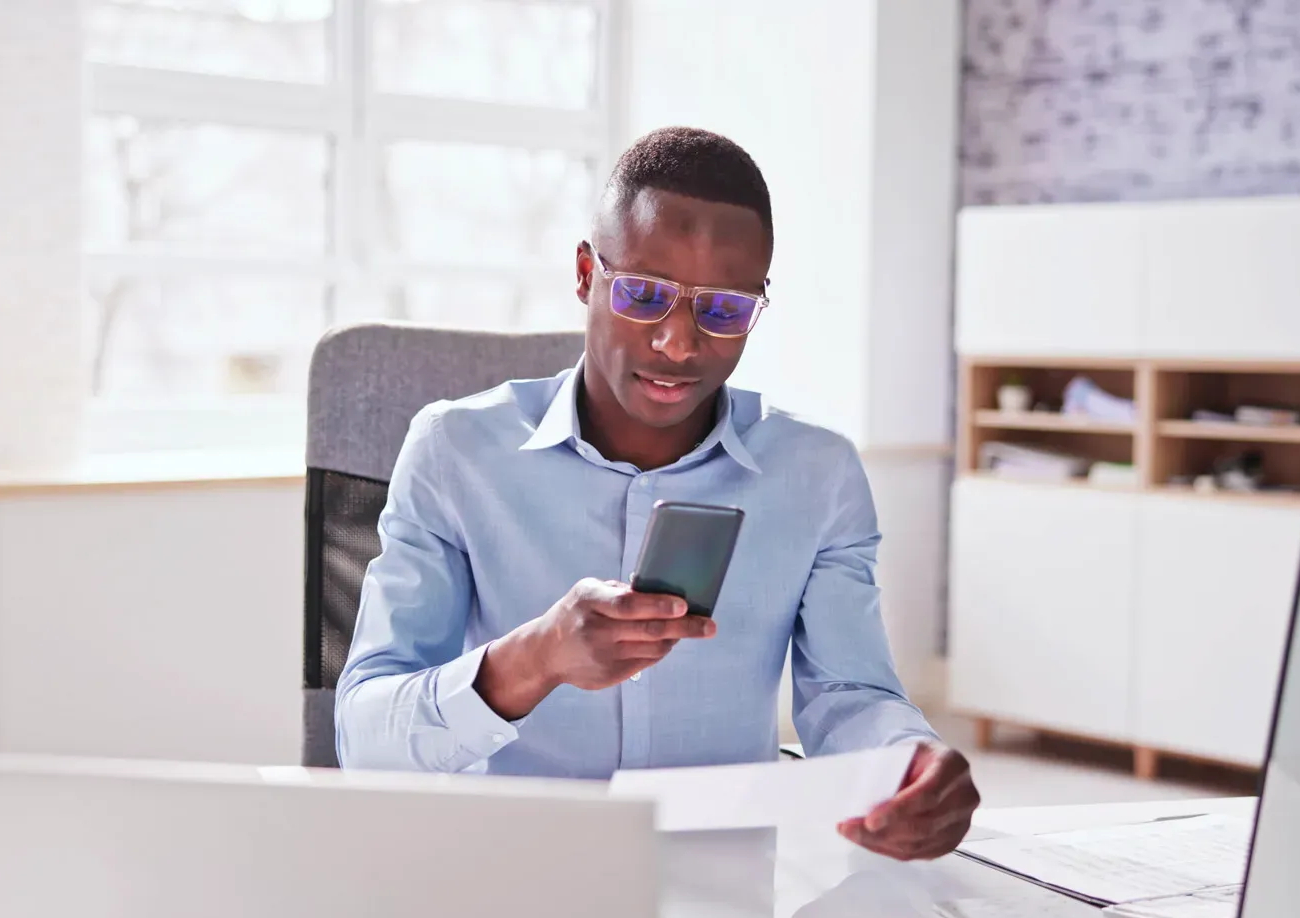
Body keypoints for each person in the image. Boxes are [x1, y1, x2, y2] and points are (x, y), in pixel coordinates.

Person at [336, 126, 979, 860]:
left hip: (726, 893)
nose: (679, 343)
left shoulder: (817, 474)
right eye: (644, 294)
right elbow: (364, 741)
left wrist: (909, 758)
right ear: (586, 274)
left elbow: (848, 695)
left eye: (724, 310)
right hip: (512, 877)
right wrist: (537, 657)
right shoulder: (455, 452)